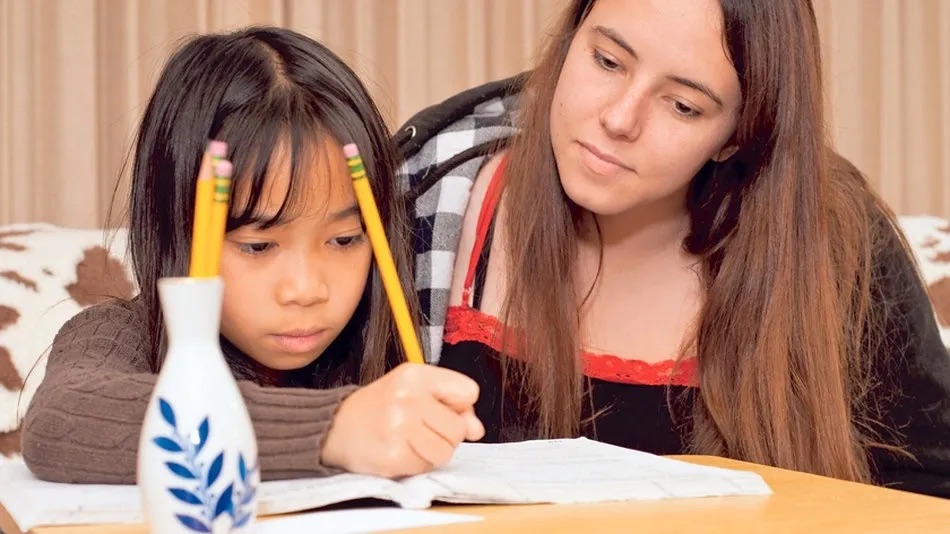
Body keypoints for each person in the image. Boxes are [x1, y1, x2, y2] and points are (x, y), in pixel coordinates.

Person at [396, 0, 950, 497]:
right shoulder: (430, 199)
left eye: (683, 106)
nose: (619, 119)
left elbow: (930, 488)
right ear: (571, 36)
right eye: (607, 62)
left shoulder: (835, 242)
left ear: (736, 135)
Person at [22, 26, 484, 485]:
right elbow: (63, 419)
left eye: (344, 239)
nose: (306, 290)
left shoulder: (401, 333)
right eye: (258, 246)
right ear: (176, 229)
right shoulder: (126, 332)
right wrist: (336, 428)